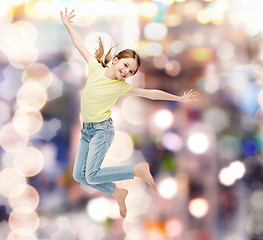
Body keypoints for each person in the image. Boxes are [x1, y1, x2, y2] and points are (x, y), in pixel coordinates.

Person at [60, 7, 200, 218]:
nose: (126, 72)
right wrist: (68, 26)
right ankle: (117, 192)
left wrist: (178, 98)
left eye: (131, 71)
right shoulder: (95, 68)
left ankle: (137, 170)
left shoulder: (121, 86)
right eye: (126, 65)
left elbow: (151, 94)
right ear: (115, 60)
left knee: (92, 173)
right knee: (80, 175)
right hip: (87, 130)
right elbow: (80, 44)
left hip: (102, 131)